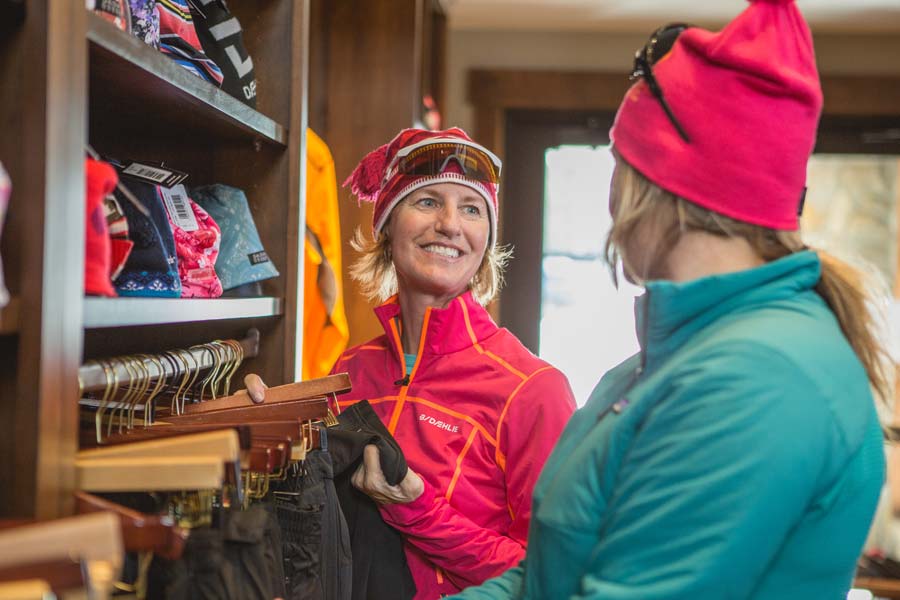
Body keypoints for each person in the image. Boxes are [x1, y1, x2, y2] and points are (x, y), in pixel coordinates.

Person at [450, 1, 889, 598]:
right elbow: (545, 578)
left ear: (656, 187)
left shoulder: (755, 379)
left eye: (618, 164)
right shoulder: (654, 365)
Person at [248, 127, 576, 599]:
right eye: (427, 202)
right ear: (386, 226)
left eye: (471, 208)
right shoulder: (351, 369)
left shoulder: (533, 390)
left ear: (486, 239)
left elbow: (554, 576)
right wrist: (263, 432)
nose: (450, 224)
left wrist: (421, 512)